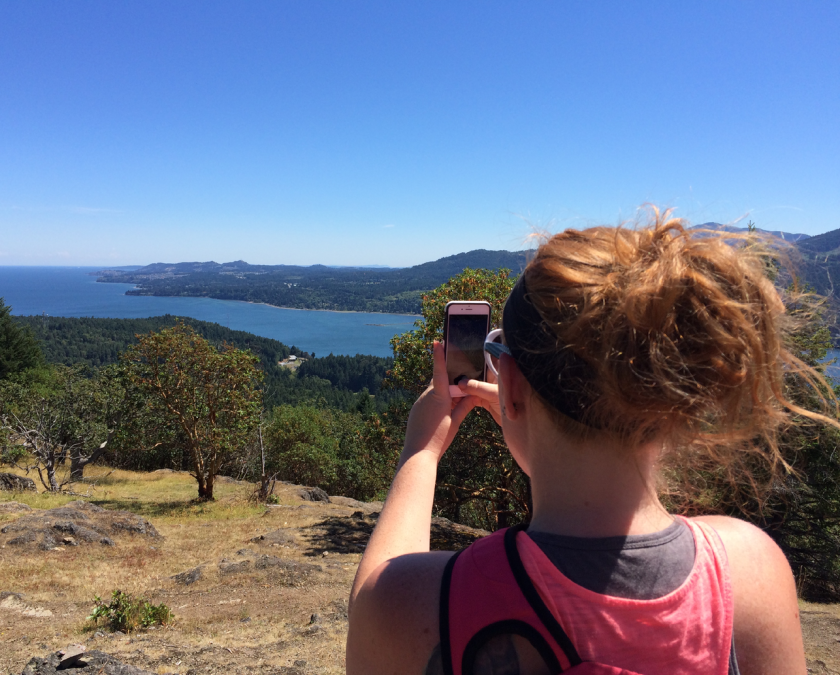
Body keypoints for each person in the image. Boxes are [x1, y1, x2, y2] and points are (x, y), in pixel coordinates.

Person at [346, 213, 833, 675]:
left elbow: (375, 588)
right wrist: (532, 424)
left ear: (510, 385)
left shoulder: (417, 602)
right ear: (669, 395)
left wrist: (421, 454)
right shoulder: (752, 570)